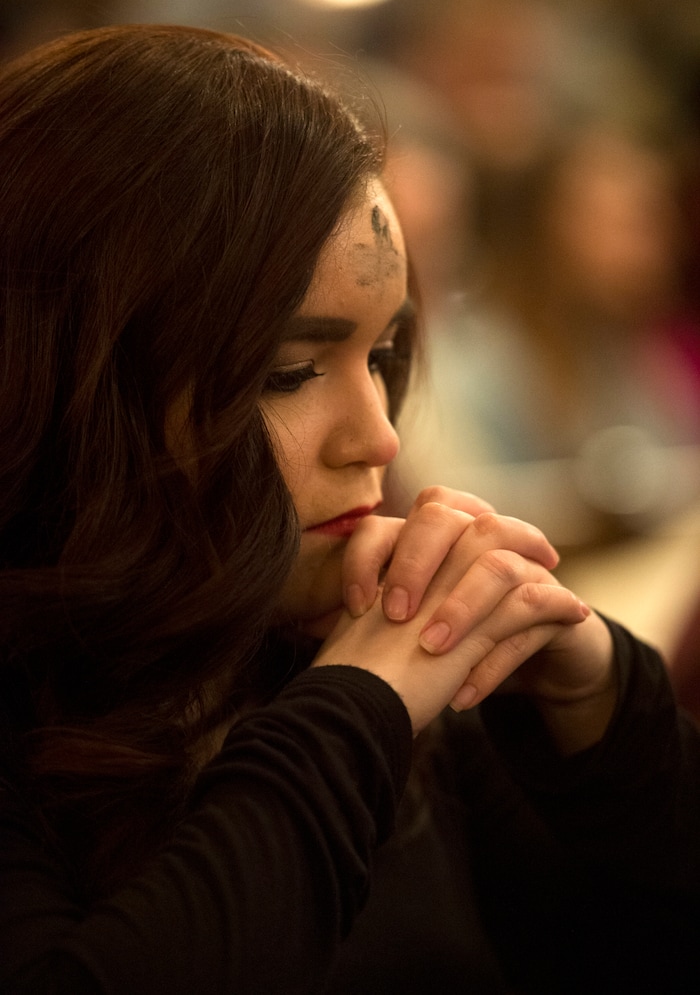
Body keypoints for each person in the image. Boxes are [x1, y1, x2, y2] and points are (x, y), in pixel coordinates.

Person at [0, 24, 697, 995]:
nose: (378, 438)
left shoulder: (354, 652)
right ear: (78, 380)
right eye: (289, 371)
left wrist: (604, 714)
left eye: (380, 358)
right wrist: (357, 706)